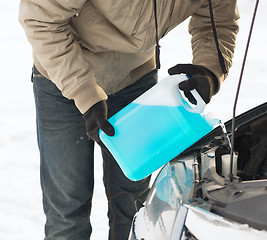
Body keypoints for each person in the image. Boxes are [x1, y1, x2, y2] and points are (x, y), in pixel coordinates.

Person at [19, 0, 239, 239]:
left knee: (134, 207)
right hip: (63, 76)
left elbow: (217, 20)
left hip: (136, 79)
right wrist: (83, 92)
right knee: (67, 209)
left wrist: (209, 69)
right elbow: (39, 18)